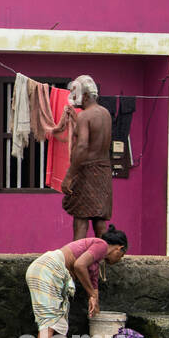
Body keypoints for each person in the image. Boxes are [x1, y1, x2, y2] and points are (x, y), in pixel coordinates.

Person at [25, 225, 128, 338]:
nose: (120, 259)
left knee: (60, 326)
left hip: (53, 275)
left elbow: (94, 290)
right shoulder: (101, 245)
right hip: (48, 270)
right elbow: (79, 265)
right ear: (119, 248)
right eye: (122, 256)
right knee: (48, 323)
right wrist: (91, 295)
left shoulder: (95, 262)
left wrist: (96, 308)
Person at [60, 75, 114, 240]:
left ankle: (76, 260)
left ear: (84, 96)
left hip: (87, 171)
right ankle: (103, 259)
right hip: (104, 171)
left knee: (81, 216)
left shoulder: (85, 116)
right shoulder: (105, 114)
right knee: (99, 218)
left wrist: (69, 176)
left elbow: (83, 146)